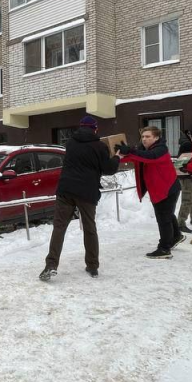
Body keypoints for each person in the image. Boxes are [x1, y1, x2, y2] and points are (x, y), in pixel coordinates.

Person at [40, 115, 120, 280]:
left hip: (66, 190)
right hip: (86, 192)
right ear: (95, 129)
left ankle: (51, 265)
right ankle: (92, 266)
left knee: (59, 227)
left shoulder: (70, 143)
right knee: (90, 228)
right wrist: (117, 157)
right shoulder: (100, 146)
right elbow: (108, 169)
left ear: (80, 127)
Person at [118, 126, 182, 259]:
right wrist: (118, 156)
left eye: (148, 136)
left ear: (156, 138)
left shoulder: (160, 149)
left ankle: (164, 249)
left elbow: (150, 157)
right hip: (159, 189)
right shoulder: (143, 150)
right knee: (168, 215)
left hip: (167, 189)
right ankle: (176, 236)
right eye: (143, 137)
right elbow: (136, 158)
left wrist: (130, 150)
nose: (144, 139)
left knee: (163, 218)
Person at [175, 133, 192, 234]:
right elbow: (181, 163)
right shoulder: (187, 145)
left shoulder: (188, 143)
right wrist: (189, 172)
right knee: (187, 199)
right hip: (186, 176)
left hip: (188, 175)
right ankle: (180, 223)